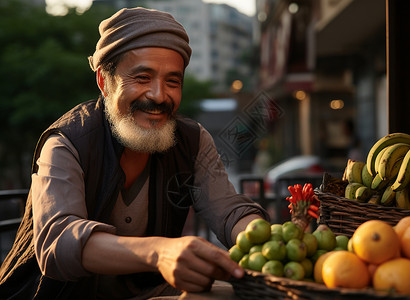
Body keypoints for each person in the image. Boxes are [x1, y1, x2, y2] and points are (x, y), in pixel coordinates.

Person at [0, 7, 269, 299]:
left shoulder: (193, 141)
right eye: (142, 78)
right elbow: (59, 242)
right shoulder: (67, 142)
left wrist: (269, 242)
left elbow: (228, 210)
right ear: (105, 82)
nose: (158, 95)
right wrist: (158, 253)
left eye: (172, 81)